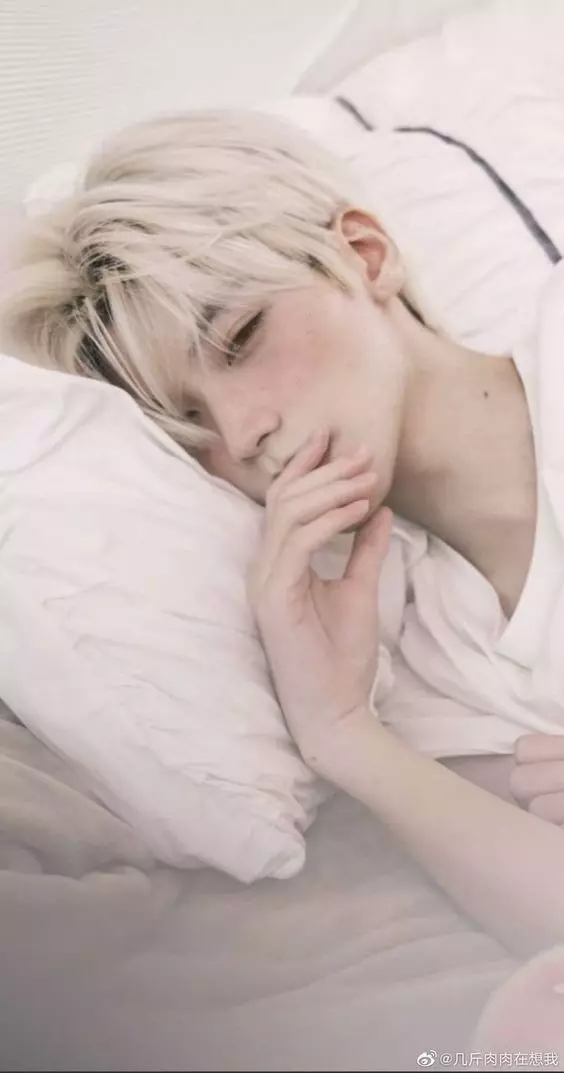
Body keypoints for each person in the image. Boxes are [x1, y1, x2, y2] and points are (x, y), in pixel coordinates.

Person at [4, 108, 564, 963]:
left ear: (364, 255)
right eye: (191, 425)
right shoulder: (416, 659)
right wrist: (342, 732)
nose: (243, 432)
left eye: (240, 338)